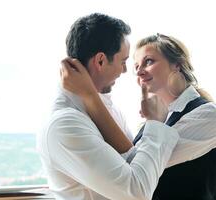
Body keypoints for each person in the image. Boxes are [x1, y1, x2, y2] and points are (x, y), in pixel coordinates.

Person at [61, 33, 216, 200]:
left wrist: (89, 95)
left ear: (177, 65)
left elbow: (135, 165)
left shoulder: (210, 114)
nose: (139, 72)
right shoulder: (154, 123)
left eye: (148, 61)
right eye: (136, 67)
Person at [37, 13, 180, 200]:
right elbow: (137, 192)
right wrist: (155, 123)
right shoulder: (65, 123)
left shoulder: (108, 109)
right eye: (123, 61)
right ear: (101, 61)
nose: (125, 70)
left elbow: (133, 160)